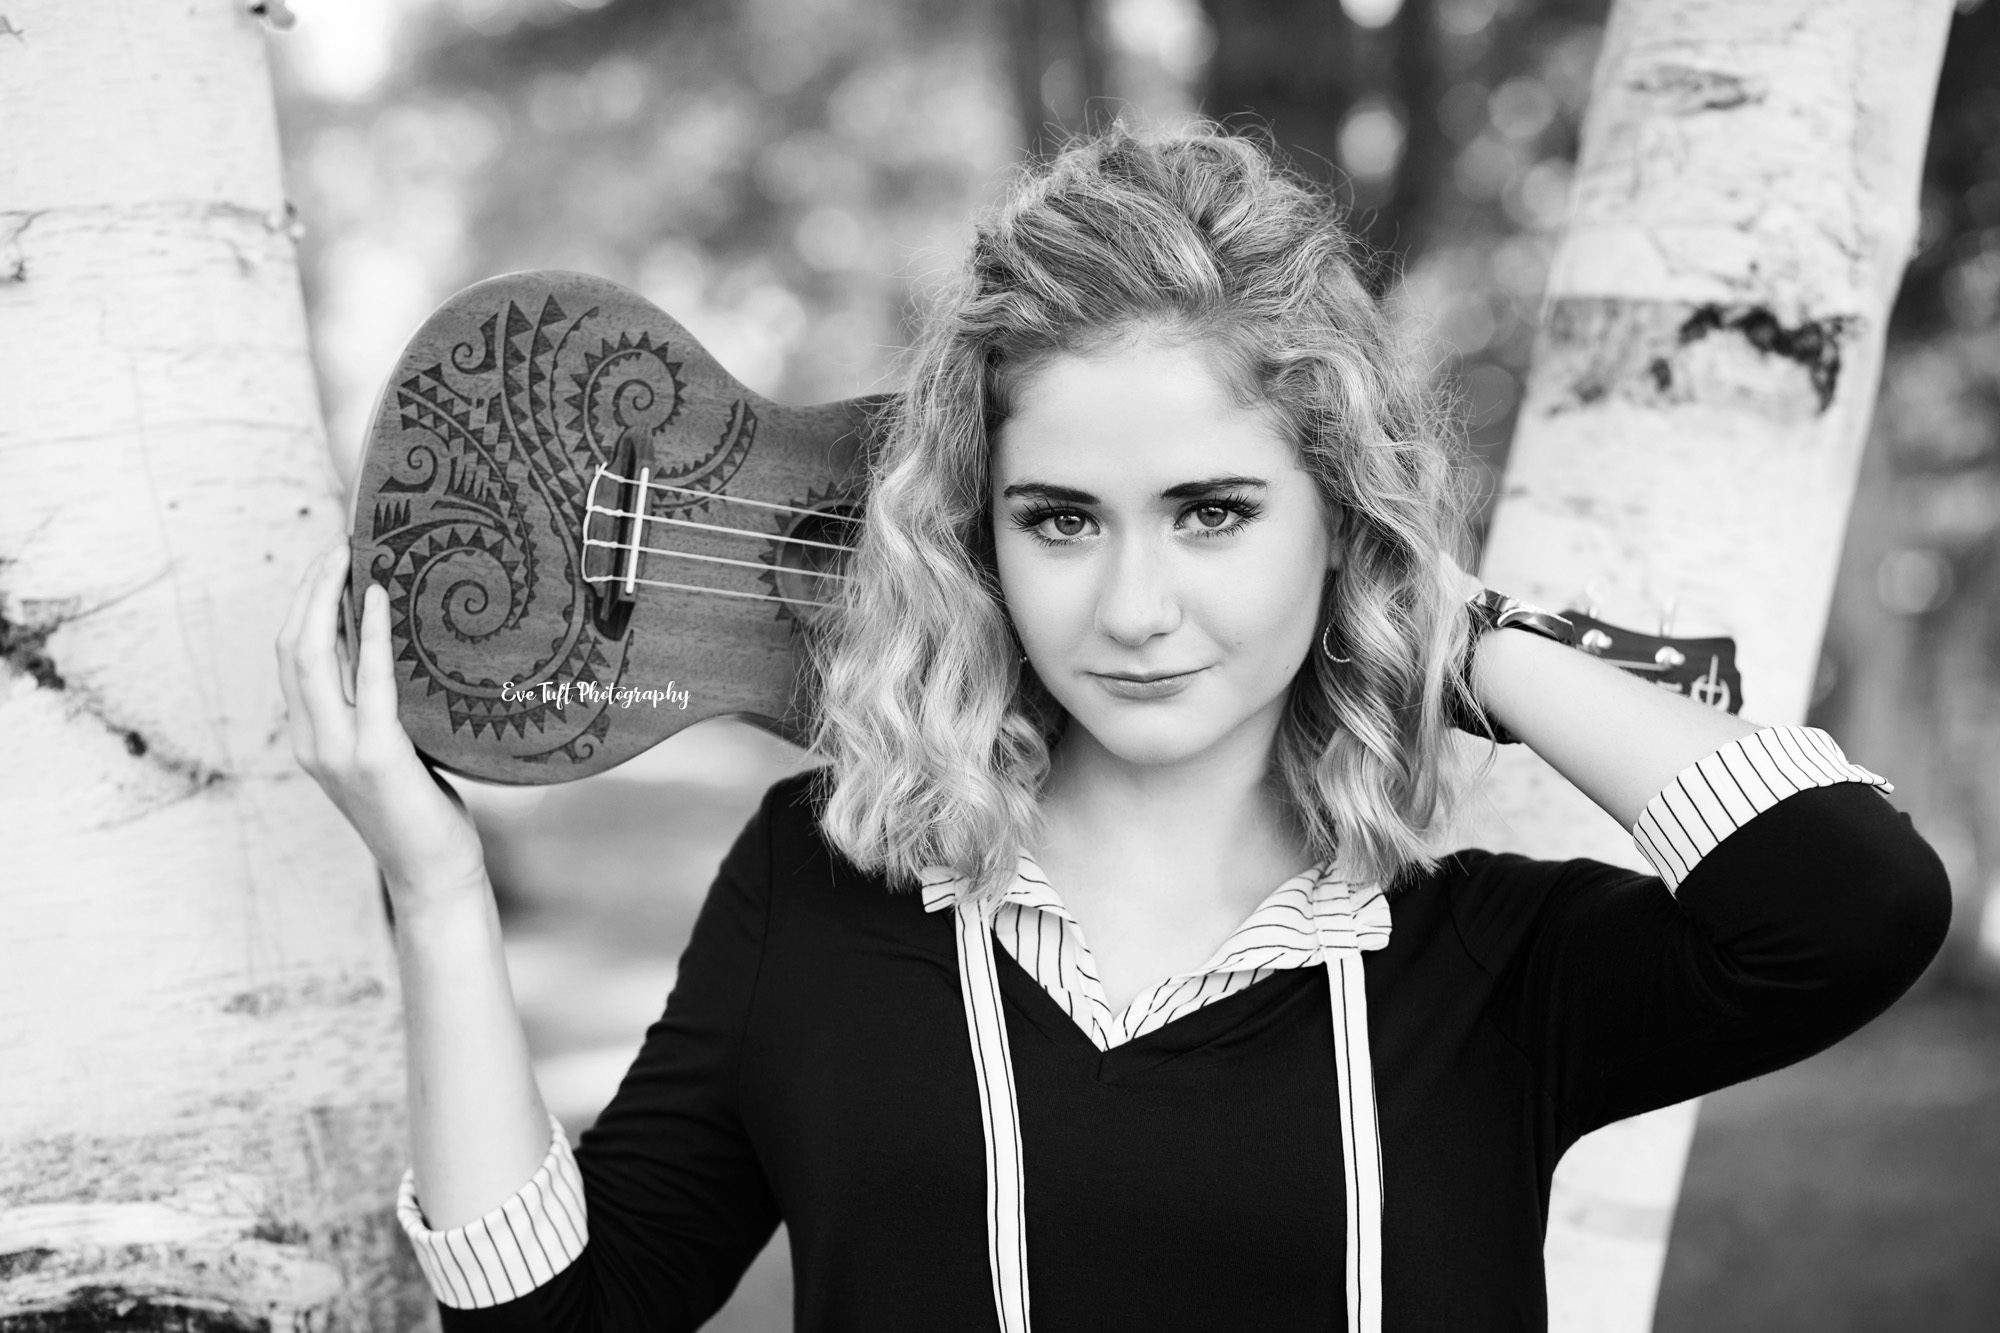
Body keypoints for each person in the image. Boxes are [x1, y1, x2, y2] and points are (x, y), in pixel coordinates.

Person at [277, 124, 1951, 1331]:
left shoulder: (1486, 968)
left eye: (1215, 511)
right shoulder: (823, 887)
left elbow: (1853, 901)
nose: (1136, 608)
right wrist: (439, 892)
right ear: (979, 536)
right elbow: (565, 1318)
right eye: (1062, 519)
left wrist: (1464, 631)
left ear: (1340, 518)